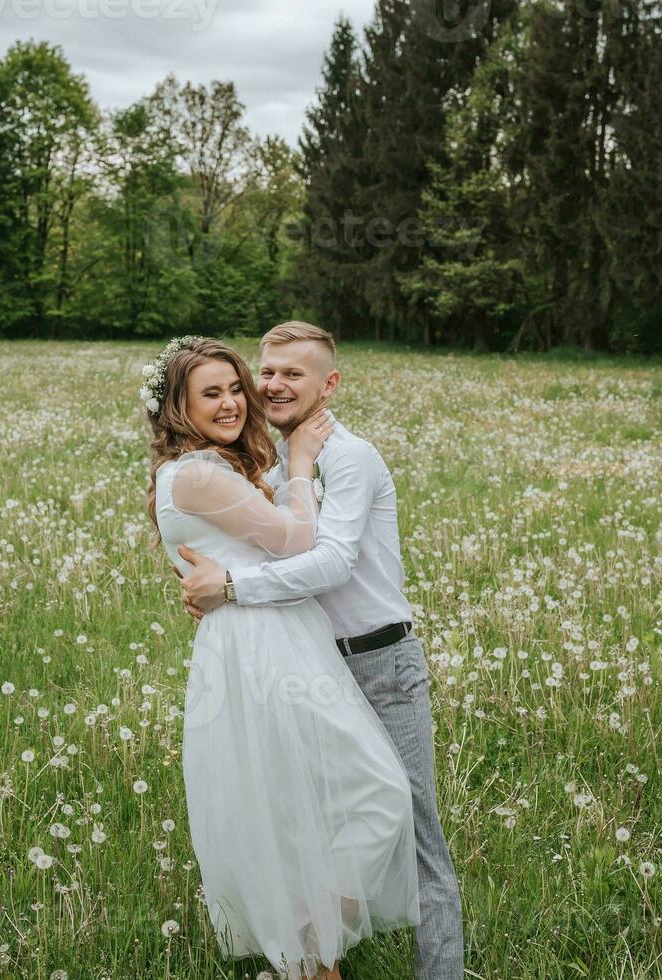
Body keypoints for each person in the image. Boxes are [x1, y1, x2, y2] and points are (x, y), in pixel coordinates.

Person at [177, 322, 465, 980]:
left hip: (378, 663)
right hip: (308, 668)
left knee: (411, 830)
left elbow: (333, 562)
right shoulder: (273, 465)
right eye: (268, 371)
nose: (273, 384)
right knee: (309, 819)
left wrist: (231, 586)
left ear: (329, 384)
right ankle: (316, 960)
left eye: (293, 374)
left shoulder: (348, 457)